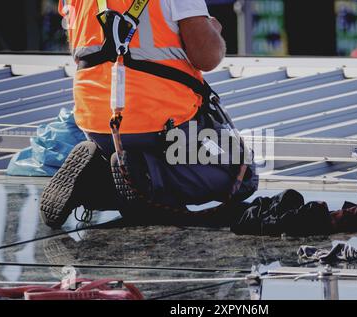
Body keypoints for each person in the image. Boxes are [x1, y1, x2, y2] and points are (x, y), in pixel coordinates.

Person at [40, 0, 258, 229]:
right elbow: (207, 56)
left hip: (96, 125)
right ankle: (134, 175)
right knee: (243, 177)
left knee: (138, 161)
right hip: (162, 121)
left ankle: (100, 174)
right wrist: (212, 30)